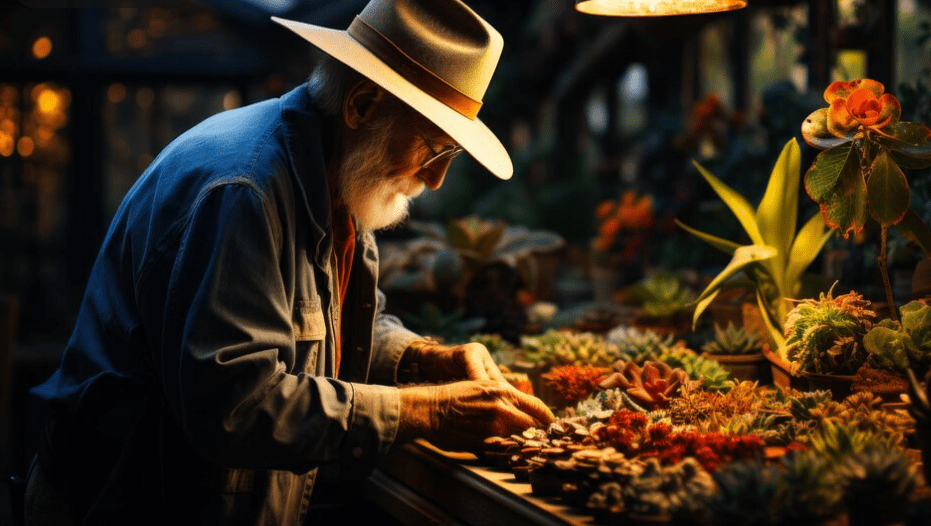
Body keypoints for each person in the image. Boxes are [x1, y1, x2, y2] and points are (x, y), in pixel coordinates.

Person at [24, 0, 554, 523]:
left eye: (448, 157)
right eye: (432, 148)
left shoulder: (341, 174)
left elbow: (335, 328)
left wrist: (425, 359)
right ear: (363, 105)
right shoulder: (245, 192)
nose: (435, 179)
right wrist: (432, 410)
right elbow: (237, 407)